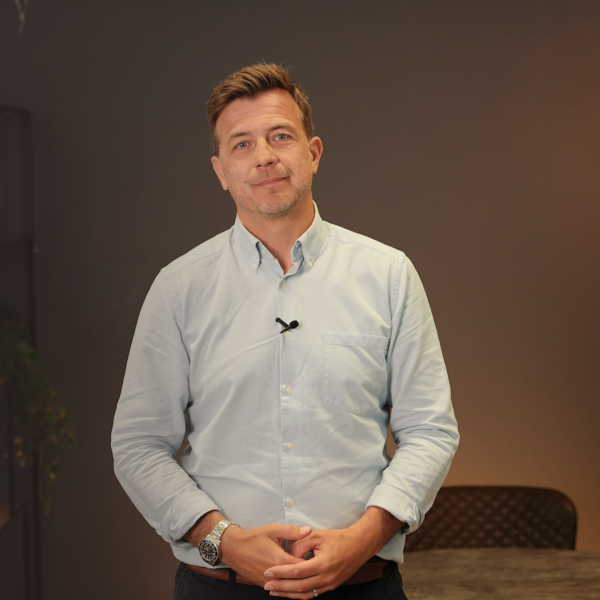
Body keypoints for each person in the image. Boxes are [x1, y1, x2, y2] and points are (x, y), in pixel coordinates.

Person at [111, 63, 459, 600]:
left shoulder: (389, 275)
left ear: (313, 153)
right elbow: (138, 446)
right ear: (220, 170)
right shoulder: (178, 288)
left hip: (363, 586)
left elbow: (431, 432)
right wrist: (224, 541)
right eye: (242, 144)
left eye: (280, 136)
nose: (264, 157)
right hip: (217, 588)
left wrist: (363, 540)